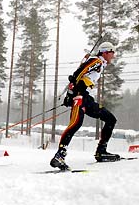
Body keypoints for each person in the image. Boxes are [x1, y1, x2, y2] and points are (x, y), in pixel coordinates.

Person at [50, 42, 119, 171]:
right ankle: (60, 155)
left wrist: (70, 94)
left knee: (110, 119)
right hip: (80, 97)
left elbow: (80, 78)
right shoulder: (97, 60)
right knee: (75, 124)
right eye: (112, 53)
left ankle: (101, 151)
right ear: (105, 52)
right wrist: (71, 95)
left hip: (86, 98)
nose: (113, 56)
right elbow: (79, 73)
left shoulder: (100, 63)